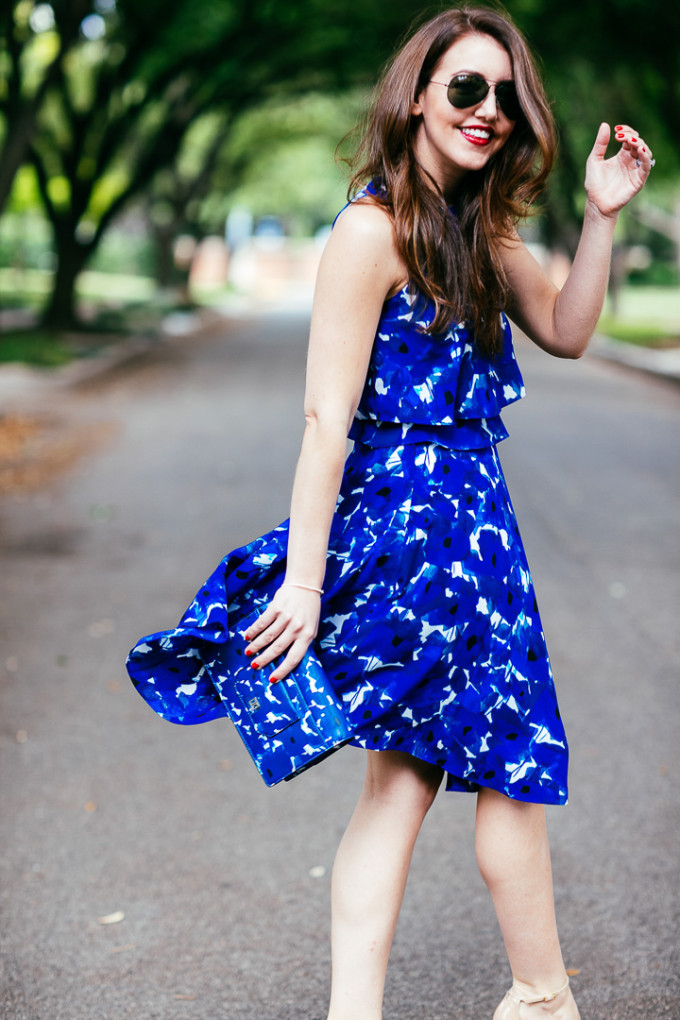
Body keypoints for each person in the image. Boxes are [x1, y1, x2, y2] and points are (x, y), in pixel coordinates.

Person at [127, 6, 653, 1018]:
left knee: (411, 781)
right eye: (464, 87)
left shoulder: (480, 230)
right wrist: (304, 580)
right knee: (498, 767)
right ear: (415, 95)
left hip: (469, 532)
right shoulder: (371, 231)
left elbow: (567, 329)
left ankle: (383, 1010)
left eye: (503, 94)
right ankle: (540, 997)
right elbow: (326, 418)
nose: (487, 109)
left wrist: (598, 214)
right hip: (420, 537)